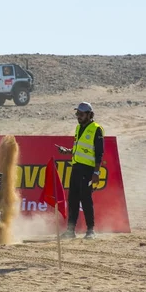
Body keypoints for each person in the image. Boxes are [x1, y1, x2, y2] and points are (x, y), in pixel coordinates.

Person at [57, 102, 104, 239]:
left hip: (88, 170)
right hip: (76, 168)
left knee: (86, 199)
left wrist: (96, 172)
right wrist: (68, 152)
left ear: (90, 115)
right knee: (73, 200)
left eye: (81, 114)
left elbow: (99, 153)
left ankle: (90, 230)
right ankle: (70, 231)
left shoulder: (96, 129)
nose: (78, 116)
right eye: (77, 114)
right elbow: (79, 149)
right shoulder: (78, 128)